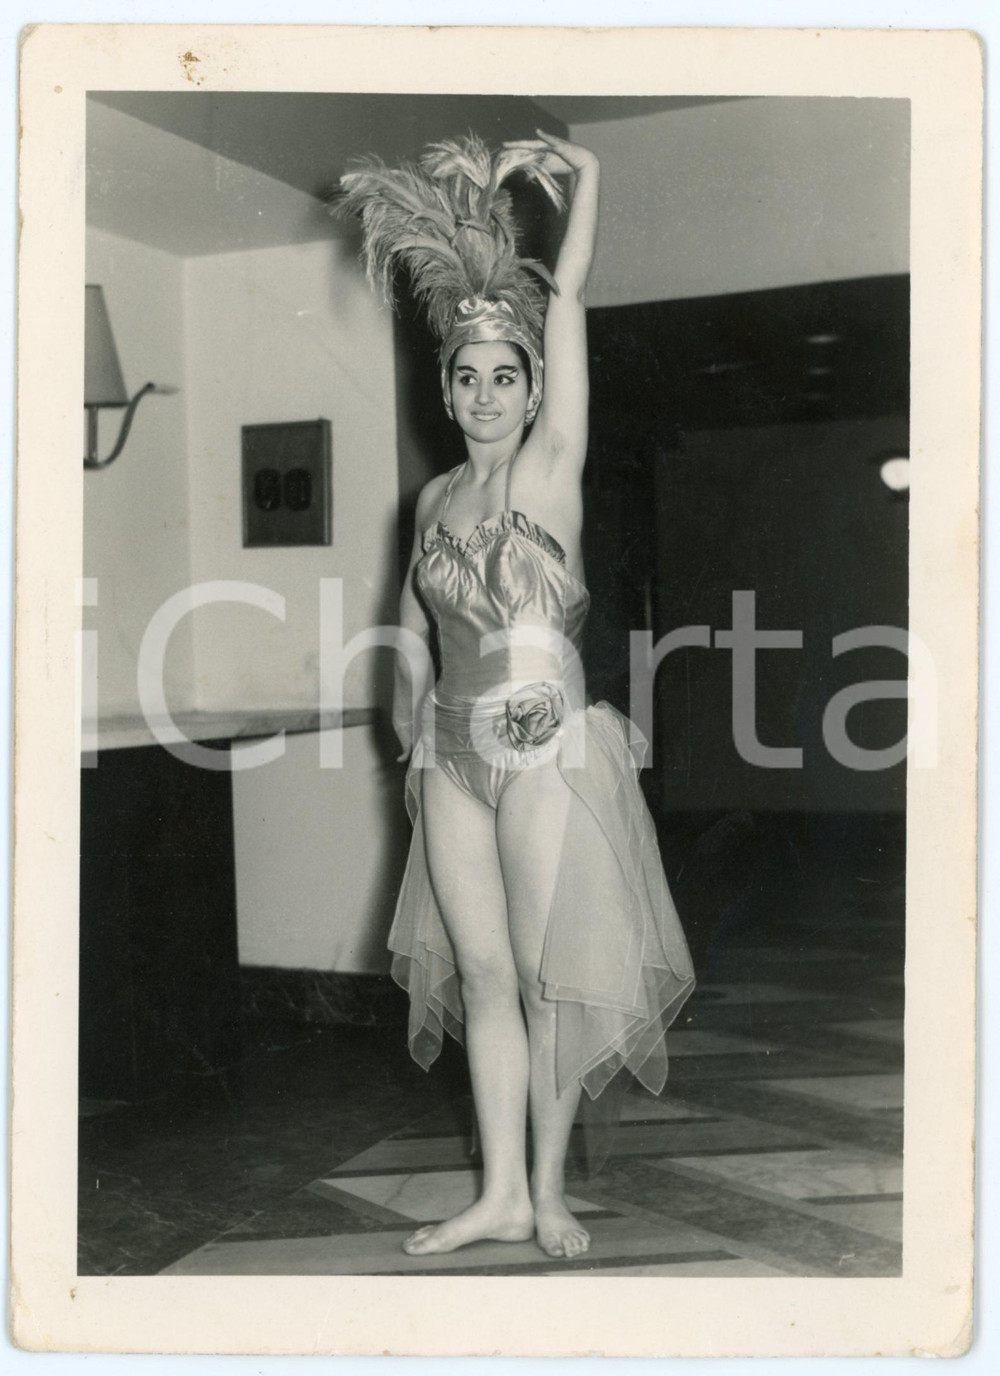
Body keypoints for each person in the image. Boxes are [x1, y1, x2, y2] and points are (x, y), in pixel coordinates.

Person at [337, 130, 695, 1260]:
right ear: (445, 390)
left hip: (545, 754)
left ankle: (547, 1191)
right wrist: (411, 731)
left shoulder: (552, 467)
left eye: (507, 376)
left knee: (545, 975)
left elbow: (573, 288)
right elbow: (408, 624)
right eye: (467, 377)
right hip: (449, 761)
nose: (487, 394)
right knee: (484, 975)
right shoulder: (435, 496)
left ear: (532, 387)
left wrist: (587, 178)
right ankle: (492, 1191)